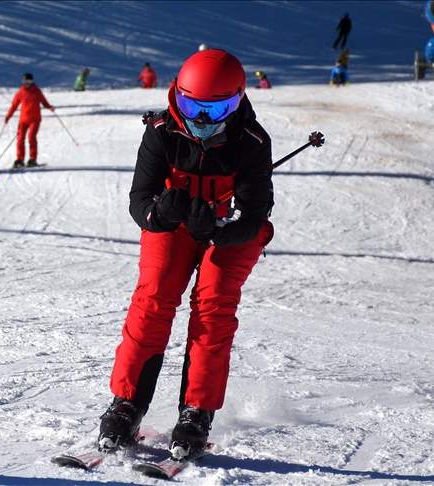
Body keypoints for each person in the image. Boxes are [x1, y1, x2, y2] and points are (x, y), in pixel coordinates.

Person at [97, 49, 274, 461]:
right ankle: (127, 403)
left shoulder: (251, 142)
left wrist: (216, 229)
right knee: (153, 297)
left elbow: (254, 216)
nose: (203, 120)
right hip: (172, 224)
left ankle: (197, 411)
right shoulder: (161, 131)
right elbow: (139, 199)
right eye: (193, 106)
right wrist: (159, 213)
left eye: (219, 109)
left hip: (227, 234)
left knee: (212, 306)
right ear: (177, 95)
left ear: (238, 101)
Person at [4, 73, 54, 168]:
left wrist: (49, 107)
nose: (26, 83)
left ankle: (32, 159)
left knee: (31, 137)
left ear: (32, 81)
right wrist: (8, 116)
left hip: (35, 120)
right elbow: (14, 106)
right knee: (20, 139)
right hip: (23, 120)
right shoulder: (20, 92)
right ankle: (20, 159)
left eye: (28, 81)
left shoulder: (37, 91)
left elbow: (44, 102)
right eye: (24, 81)